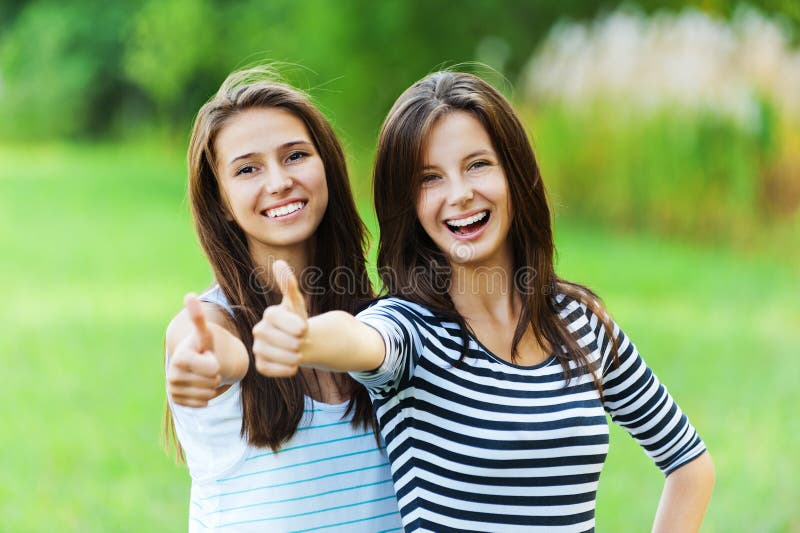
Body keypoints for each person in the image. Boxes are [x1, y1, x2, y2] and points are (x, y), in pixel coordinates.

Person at [254, 71, 716, 532]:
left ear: (514, 172)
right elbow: (361, 340)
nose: (460, 195)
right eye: (430, 178)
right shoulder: (409, 329)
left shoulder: (581, 323)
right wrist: (307, 337)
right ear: (408, 205)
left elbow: (689, 463)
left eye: (477, 165)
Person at [163, 66, 402, 532]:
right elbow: (213, 348)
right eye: (248, 168)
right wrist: (205, 364)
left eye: (295, 156)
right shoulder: (216, 325)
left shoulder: (379, 323)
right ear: (222, 203)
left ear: (326, 168)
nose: (278, 181)